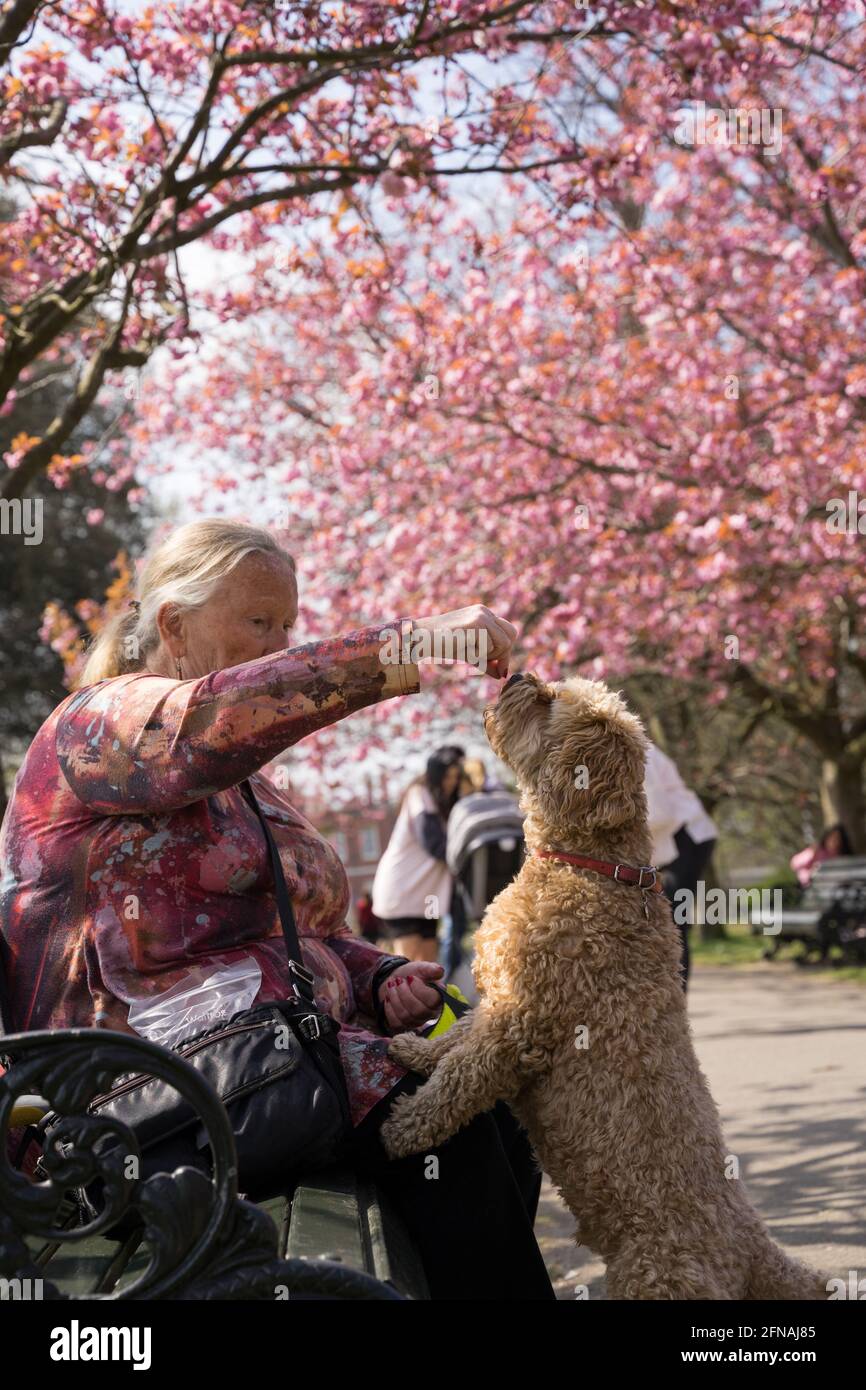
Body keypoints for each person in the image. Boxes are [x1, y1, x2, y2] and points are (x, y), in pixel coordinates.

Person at [0, 519, 552, 1299]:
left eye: (288, 624)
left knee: (489, 1107)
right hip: (126, 1114)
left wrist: (382, 973)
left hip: (256, 1075)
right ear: (172, 625)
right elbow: (212, 720)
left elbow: (311, 934)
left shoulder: (245, 788)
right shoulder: (97, 726)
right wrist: (407, 645)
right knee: (449, 1122)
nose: (279, 643)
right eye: (258, 621)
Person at [371, 747, 463, 964]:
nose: (451, 782)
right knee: (409, 966)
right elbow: (434, 843)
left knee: (430, 966)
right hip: (403, 891)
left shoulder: (442, 804)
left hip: (427, 896)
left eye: (455, 777)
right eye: (447, 776)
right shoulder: (419, 795)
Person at [644, 742, 718, 991]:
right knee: (669, 917)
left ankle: (676, 997)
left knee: (675, 919)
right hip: (675, 839)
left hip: (688, 834)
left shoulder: (640, 753)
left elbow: (658, 813)